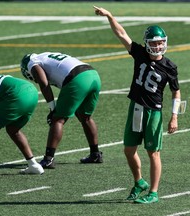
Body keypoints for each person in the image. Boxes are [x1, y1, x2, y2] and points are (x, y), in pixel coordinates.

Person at [93, 6, 181, 204]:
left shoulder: (170, 66)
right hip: (136, 108)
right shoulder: (140, 53)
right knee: (129, 149)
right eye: (154, 43)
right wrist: (110, 16)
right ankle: (139, 181)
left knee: (153, 153)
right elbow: (121, 34)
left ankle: (154, 192)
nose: (158, 46)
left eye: (160, 43)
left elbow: (176, 92)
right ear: (147, 44)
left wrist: (174, 116)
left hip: (154, 112)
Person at [20, 52, 103, 169]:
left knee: (57, 119)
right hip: (93, 74)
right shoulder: (45, 56)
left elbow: (44, 83)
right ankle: (95, 154)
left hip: (78, 77)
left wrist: (52, 108)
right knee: (85, 117)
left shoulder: (32, 63)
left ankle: (48, 159)